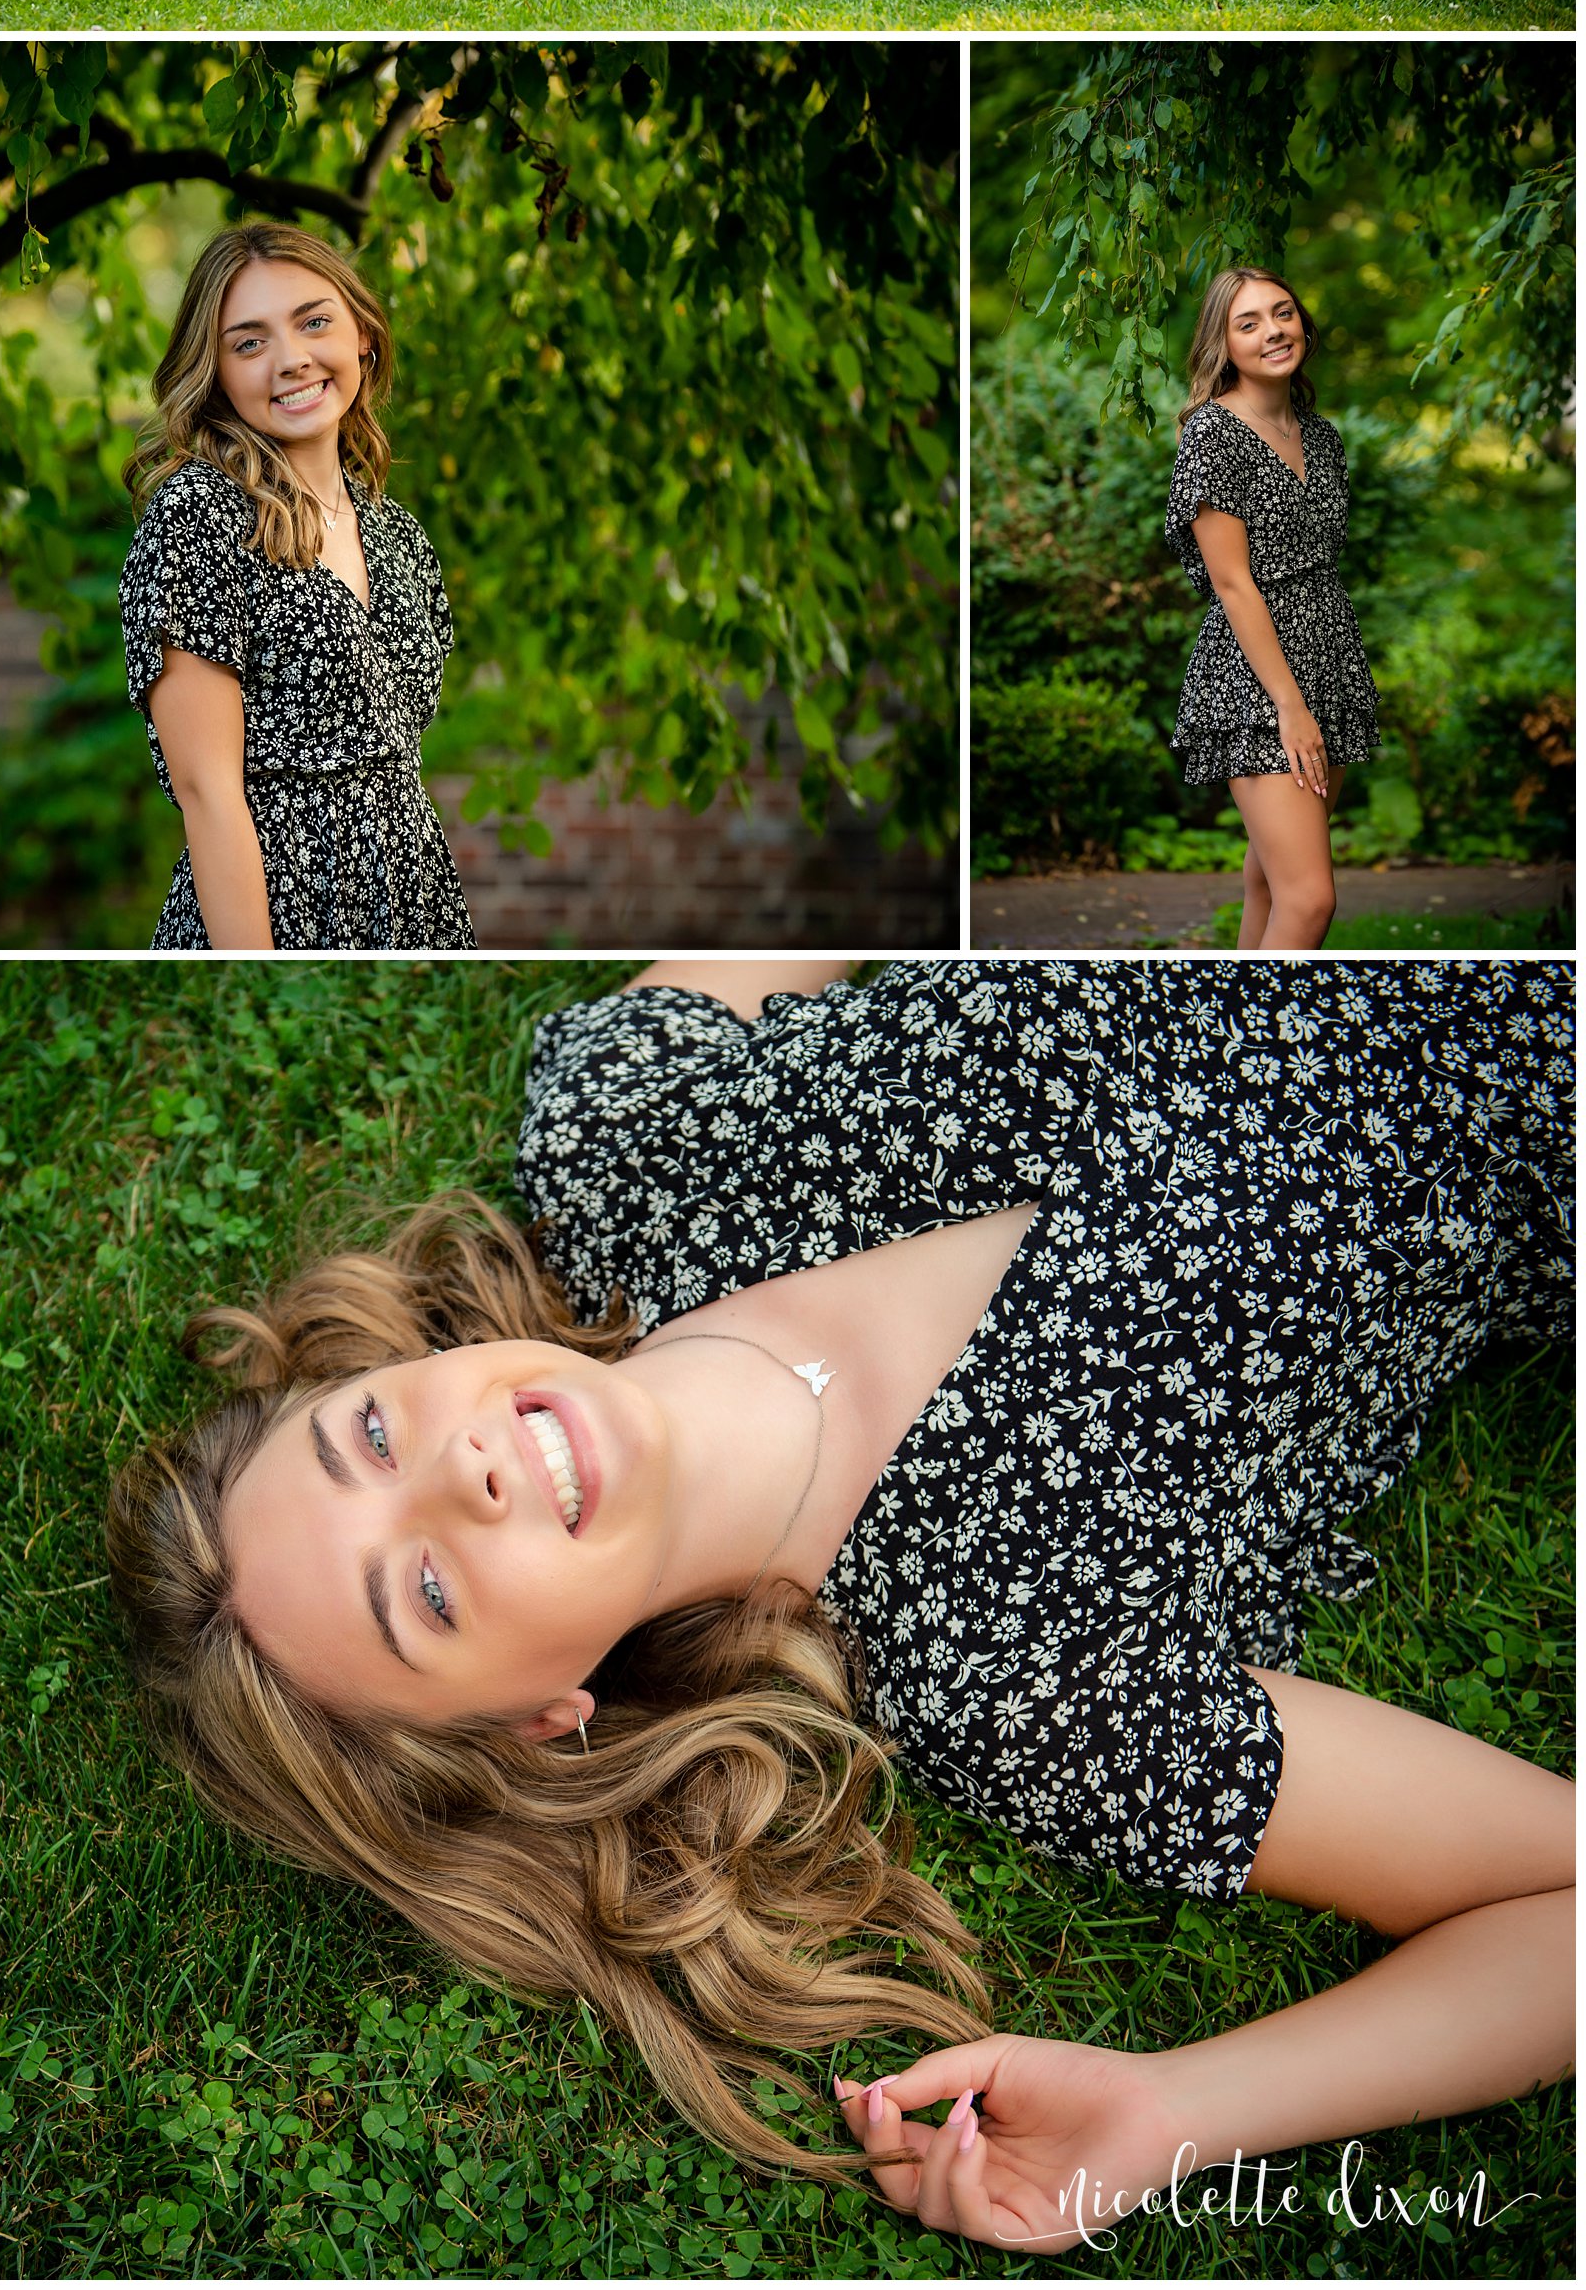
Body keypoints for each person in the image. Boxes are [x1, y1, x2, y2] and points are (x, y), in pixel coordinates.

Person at [106, 957, 1573, 2253]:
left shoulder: (621, 1151)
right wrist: (1181, 2106)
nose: (464, 1468)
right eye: (424, 1592)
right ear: (543, 1718)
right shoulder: (1005, 1669)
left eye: (371, 1435)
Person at [118, 221, 476, 954]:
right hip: (275, 906)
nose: (291, 359)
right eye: (249, 343)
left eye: (314, 322)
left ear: (362, 335)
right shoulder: (198, 518)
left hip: (415, 899)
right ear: (216, 373)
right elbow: (208, 795)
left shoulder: (396, 532)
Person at [1165, 266, 1382, 951]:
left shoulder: (1321, 436)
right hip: (1258, 679)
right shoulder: (1214, 434)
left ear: (1303, 325)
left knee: (1269, 882)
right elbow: (1233, 584)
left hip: (1329, 660)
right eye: (1249, 322)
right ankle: (1267, 1022)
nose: (1273, 331)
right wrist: (1290, 706)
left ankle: (1232, 1010)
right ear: (1223, 344)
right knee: (1310, 899)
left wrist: (1320, 688)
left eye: (1283, 313)